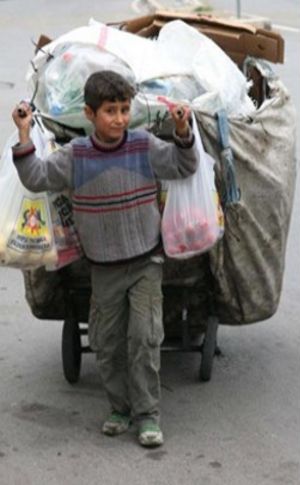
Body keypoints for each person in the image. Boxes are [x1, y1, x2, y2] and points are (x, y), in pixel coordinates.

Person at [10, 70, 198, 447]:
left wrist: (182, 132)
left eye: (125, 109)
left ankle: (147, 415)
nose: (119, 118)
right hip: (103, 270)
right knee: (108, 343)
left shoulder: (143, 145)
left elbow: (183, 165)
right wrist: (25, 133)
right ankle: (119, 408)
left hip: (146, 263)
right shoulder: (76, 156)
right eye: (110, 110)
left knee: (145, 338)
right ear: (90, 114)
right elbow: (36, 177)